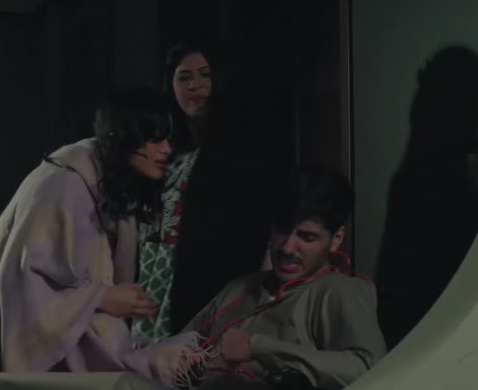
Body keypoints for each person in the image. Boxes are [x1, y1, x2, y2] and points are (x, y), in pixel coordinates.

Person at [0, 86, 198, 390]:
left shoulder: (105, 186)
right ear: (125, 138)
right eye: (155, 138)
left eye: (168, 139)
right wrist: (103, 297)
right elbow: (21, 282)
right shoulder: (64, 184)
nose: (166, 150)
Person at [119, 165, 387, 390]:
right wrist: (179, 359)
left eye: (307, 237)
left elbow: (369, 368)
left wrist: (258, 347)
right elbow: (181, 346)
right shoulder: (242, 287)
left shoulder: (339, 290)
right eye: (283, 230)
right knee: (122, 383)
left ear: (335, 239)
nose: (288, 248)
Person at [133, 42, 272, 346]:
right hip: (153, 277)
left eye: (205, 75)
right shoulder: (165, 145)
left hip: (210, 283)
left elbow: (253, 229)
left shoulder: (241, 148)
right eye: (184, 77)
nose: (194, 85)